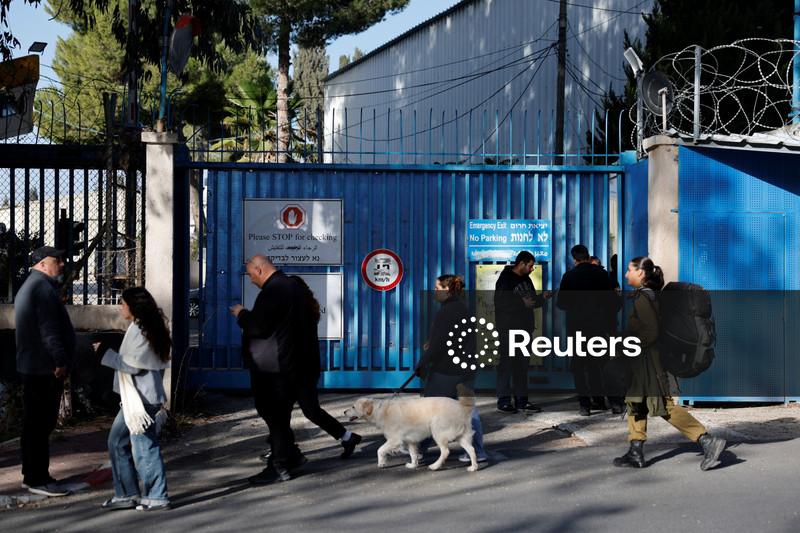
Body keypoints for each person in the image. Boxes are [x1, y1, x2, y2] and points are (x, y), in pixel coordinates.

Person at [230, 255, 360, 484]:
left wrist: (241, 314)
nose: (251, 280)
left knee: (276, 415)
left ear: (260, 270)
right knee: (288, 414)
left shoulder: (273, 292)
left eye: (251, 274)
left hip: (278, 368)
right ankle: (291, 455)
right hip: (301, 365)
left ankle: (280, 464)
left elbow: (258, 326)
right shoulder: (295, 289)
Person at [613, 256, 726, 471]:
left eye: (629, 270)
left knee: (663, 406)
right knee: (636, 401)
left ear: (641, 273)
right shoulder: (649, 296)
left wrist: (629, 344)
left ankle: (706, 440)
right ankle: (635, 451)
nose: (626, 274)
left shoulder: (643, 299)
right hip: (644, 361)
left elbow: (651, 332)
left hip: (648, 361)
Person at [97, 287, 171, 511]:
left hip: (141, 400)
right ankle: (128, 494)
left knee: (143, 446)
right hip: (139, 399)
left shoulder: (141, 330)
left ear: (133, 306)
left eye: (123, 304)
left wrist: (104, 353)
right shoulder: (144, 327)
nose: (121, 308)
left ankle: (155, 495)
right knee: (120, 442)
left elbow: (134, 365)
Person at [14, 246, 74, 497]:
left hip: (34, 366)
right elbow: (49, 331)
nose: (61, 264)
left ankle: (33, 474)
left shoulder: (33, 286)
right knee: (40, 425)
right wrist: (60, 361)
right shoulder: (41, 289)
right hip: (43, 368)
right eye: (56, 260)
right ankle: (38, 478)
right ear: (41, 264)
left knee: (34, 425)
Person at [416, 274, 488, 464]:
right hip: (466, 368)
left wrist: (422, 362)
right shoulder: (462, 309)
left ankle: (418, 449)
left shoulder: (446, 312)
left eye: (437, 288)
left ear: (446, 290)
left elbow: (439, 344)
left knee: (429, 410)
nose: (434, 291)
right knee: (469, 411)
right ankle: (478, 451)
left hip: (447, 370)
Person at [557, 244, 622, 415]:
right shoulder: (602, 275)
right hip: (599, 327)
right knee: (602, 365)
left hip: (577, 328)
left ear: (574, 258)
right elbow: (614, 302)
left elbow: (561, 303)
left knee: (579, 366)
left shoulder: (569, 276)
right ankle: (614, 402)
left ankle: (585, 405)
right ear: (587, 256)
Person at [494, 251, 550, 413]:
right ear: (521, 263)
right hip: (508, 329)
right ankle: (504, 401)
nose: (532, 269)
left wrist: (542, 298)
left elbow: (530, 302)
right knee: (506, 364)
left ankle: (521, 400)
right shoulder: (505, 279)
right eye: (531, 265)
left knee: (522, 365)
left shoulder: (526, 279)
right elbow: (500, 302)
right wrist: (521, 303)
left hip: (525, 328)